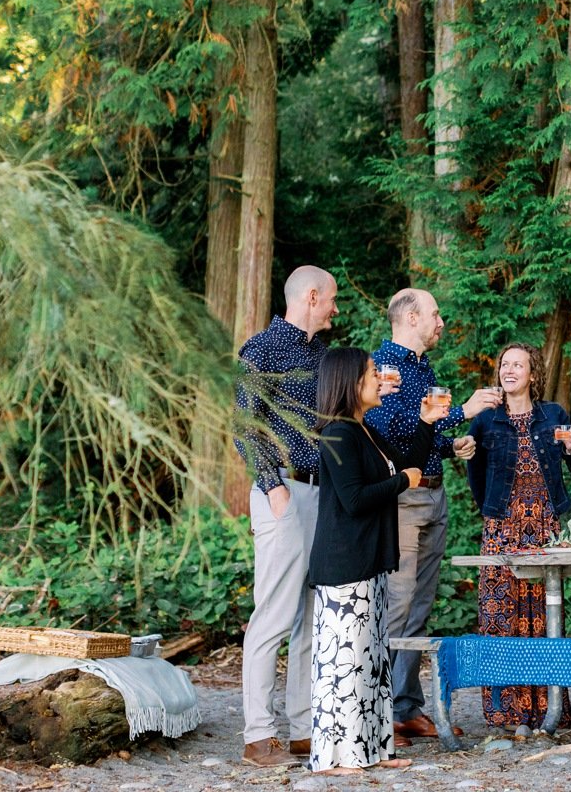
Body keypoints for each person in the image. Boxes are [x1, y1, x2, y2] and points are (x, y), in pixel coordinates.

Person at [364, 288, 501, 743]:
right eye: (435, 314)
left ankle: (406, 709)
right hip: (403, 501)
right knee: (396, 607)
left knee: (419, 608)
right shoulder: (385, 367)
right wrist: (464, 411)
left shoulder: (424, 367)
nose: (441, 322)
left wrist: (451, 444)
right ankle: (376, 712)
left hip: (435, 495)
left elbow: (423, 436)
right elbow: (394, 431)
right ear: (410, 317)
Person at [306, 347, 442, 774]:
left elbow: (407, 465)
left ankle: (371, 750)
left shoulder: (364, 430)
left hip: (371, 560)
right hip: (345, 562)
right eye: (371, 373)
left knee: (370, 661)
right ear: (351, 382)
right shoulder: (337, 433)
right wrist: (402, 481)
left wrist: (425, 423)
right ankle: (336, 758)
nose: (379, 380)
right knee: (343, 665)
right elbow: (354, 499)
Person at [234, 265, 338, 767]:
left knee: (311, 618)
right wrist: (273, 489)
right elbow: (244, 427)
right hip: (283, 491)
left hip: (321, 495)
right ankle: (258, 736)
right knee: (272, 614)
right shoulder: (261, 350)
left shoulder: (322, 356)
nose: (336, 310)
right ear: (311, 297)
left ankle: (301, 728)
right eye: (331, 300)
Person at [466, 342, 571, 731]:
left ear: (533, 374)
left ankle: (550, 706)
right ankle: (505, 710)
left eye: (518, 365)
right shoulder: (485, 418)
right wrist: (494, 512)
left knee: (547, 615)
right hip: (502, 527)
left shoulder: (553, 414)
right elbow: (474, 473)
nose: (509, 370)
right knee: (500, 613)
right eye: (504, 364)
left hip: (545, 529)